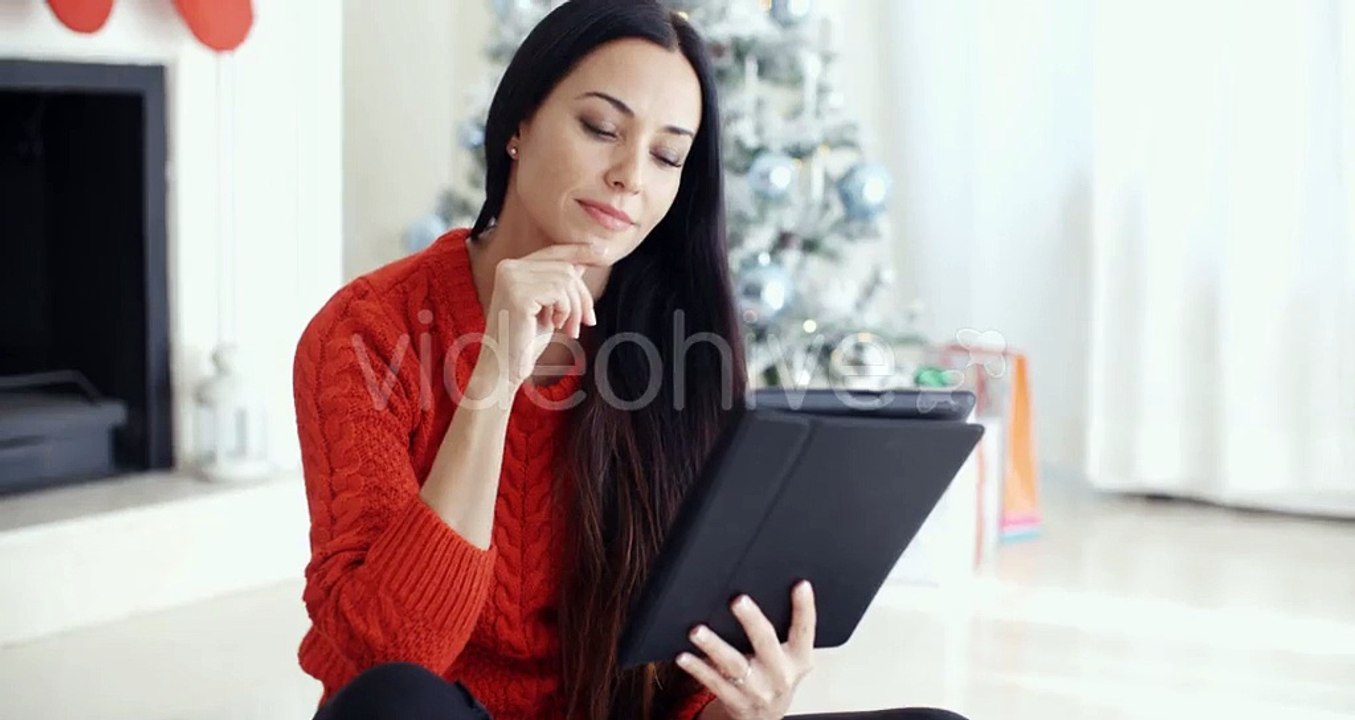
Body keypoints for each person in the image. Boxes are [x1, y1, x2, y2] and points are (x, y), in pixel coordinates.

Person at [294, 1, 970, 718]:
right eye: (601, 128)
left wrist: (745, 705)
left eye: (666, 154)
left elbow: (680, 675)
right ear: (519, 123)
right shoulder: (367, 331)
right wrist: (493, 379)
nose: (629, 176)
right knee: (397, 703)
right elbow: (382, 658)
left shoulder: (687, 343)